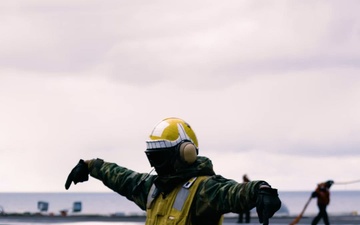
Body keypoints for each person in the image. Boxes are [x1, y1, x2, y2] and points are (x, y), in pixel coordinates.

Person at [65, 117, 281, 225]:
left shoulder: (203, 189)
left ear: (186, 152)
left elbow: (231, 192)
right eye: (152, 156)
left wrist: (260, 189)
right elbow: (124, 178)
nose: (156, 163)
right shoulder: (154, 189)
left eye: (160, 156)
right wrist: (91, 165)